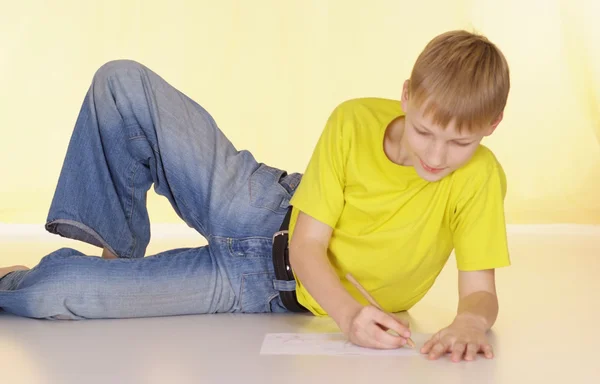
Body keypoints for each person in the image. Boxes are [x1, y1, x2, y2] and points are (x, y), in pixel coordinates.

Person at [0, 29, 510, 362]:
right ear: (406, 96)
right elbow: (306, 245)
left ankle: (55, 278)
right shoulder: (353, 120)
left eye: (460, 142)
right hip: (259, 208)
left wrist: (470, 321)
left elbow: (480, 291)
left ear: (491, 126)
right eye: (425, 131)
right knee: (120, 82)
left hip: (252, 291)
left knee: (47, 294)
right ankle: (118, 256)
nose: (438, 155)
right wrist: (349, 316)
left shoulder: (480, 177)